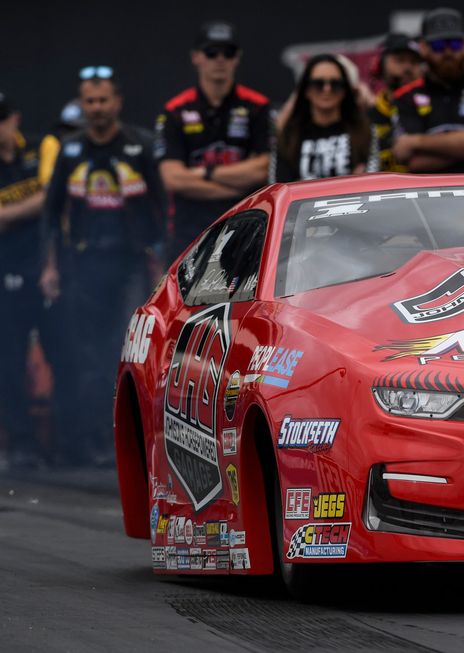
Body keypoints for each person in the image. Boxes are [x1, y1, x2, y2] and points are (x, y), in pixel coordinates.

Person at [40, 68, 166, 466]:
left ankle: (132, 442)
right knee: (87, 357)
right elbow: (50, 214)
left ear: (117, 102)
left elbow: (164, 210)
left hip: (131, 265)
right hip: (82, 266)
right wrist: (50, 269)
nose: (96, 108)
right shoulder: (71, 150)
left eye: (102, 100)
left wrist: (161, 266)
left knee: (125, 351)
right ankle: (93, 443)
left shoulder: (140, 145)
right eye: (89, 102)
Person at [157, 21, 271, 258]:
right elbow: (173, 178)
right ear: (196, 57)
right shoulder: (175, 110)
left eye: (227, 53)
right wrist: (235, 189)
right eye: (211, 53)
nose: (220, 59)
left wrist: (205, 173)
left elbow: (262, 170)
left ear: (236, 58)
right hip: (189, 235)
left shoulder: (257, 106)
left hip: (245, 229)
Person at [391, 7, 464, 173]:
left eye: (455, 44)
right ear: (423, 48)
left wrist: (416, 141)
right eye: (438, 45)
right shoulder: (406, 96)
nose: (448, 52)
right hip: (427, 193)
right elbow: (415, 161)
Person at [0, 93, 45, 470]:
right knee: (10, 361)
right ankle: (22, 443)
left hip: (48, 270)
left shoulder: (39, 147)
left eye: (2, 118)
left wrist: (11, 212)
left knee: (68, 355)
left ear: (14, 118)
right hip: (6, 273)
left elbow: (54, 195)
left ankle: (78, 442)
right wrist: (35, 204)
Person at [272, 54, 370, 182]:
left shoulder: (365, 131)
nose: (327, 89)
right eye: (318, 84)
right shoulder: (289, 136)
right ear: (306, 90)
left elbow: (371, 182)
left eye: (335, 84)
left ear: (345, 90)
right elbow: (278, 189)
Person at [367, 33, 422, 173]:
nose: (408, 68)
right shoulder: (365, 115)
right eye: (400, 60)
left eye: (414, 62)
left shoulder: (432, 109)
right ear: (378, 65)